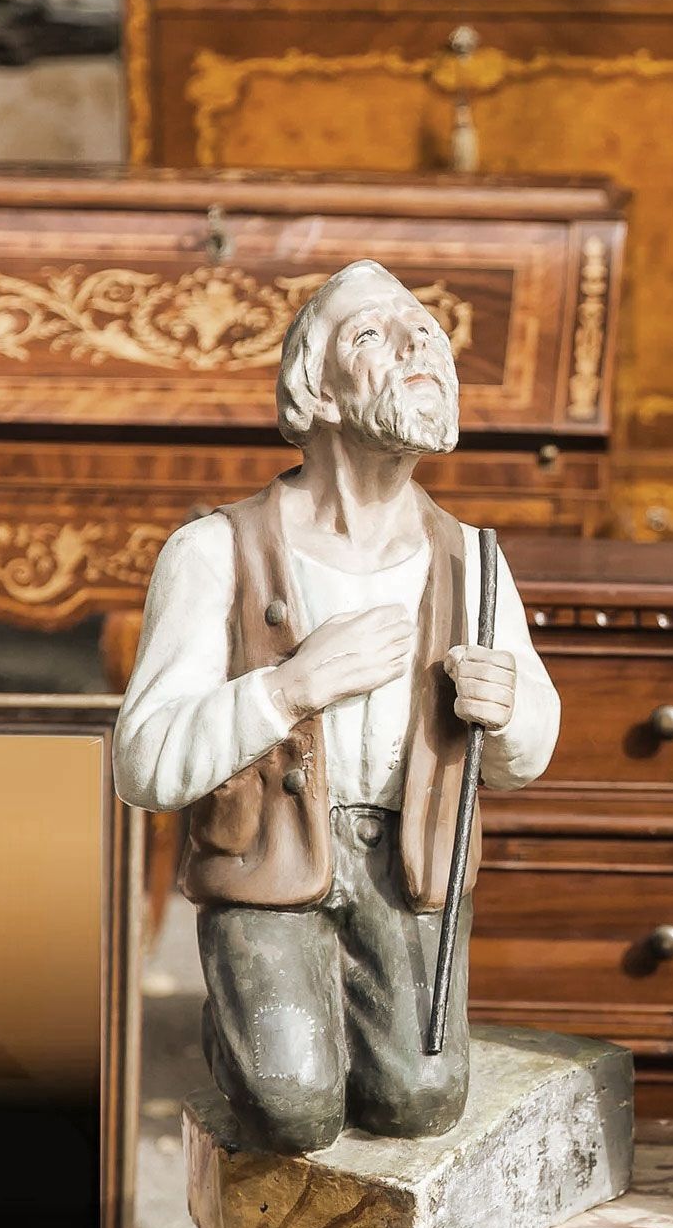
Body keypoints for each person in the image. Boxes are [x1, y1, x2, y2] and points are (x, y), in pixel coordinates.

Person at [114, 260, 560, 1154]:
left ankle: (311, 1031)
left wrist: (507, 711)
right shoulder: (215, 552)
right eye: (372, 334)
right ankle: (249, 1019)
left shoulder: (472, 560)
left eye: (424, 329)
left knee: (417, 1101)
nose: (417, 343)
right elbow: (143, 760)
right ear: (313, 391)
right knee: (290, 1110)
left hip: (411, 864)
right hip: (269, 869)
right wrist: (290, 687)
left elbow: (528, 751)